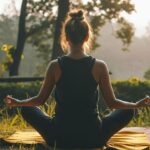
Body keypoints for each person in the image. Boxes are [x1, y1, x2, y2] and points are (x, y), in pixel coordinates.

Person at [4, 9, 150, 149]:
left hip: (59, 137)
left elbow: (40, 100)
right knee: (128, 110)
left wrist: (18, 102)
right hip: (93, 137)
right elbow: (113, 103)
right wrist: (136, 105)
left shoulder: (55, 66)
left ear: (65, 37)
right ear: (87, 37)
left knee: (27, 109)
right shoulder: (99, 66)